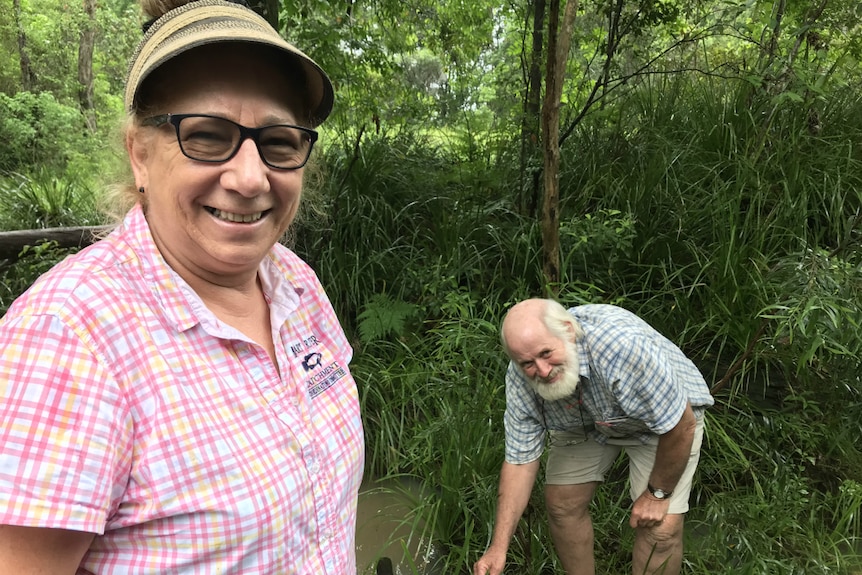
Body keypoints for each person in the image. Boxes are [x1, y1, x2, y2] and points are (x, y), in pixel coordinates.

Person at [0, 0, 364, 572]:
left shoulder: (296, 282)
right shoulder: (68, 337)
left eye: (278, 142)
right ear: (140, 153)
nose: (249, 178)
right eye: (208, 135)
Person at [474, 299, 714, 575]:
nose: (541, 370)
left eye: (546, 353)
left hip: (659, 423)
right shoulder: (521, 380)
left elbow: (680, 426)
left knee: (661, 530)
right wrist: (498, 547)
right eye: (527, 363)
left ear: (568, 330)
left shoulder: (622, 349)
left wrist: (657, 495)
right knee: (562, 504)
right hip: (585, 418)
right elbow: (519, 462)